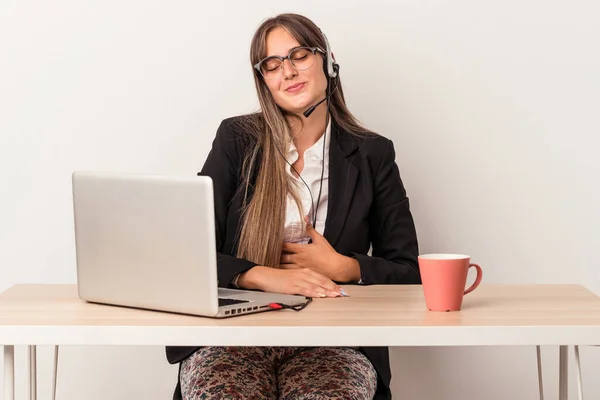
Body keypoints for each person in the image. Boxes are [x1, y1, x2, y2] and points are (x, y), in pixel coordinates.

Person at [166, 13, 420, 400]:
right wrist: (259, 276)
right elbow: (186, 249)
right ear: (264, 80)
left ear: (328, 60)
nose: (287, 71)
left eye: (298, 54)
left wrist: (344, 267)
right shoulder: (236, 139)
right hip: (232, 336)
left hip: (335, 339)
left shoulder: (373, 153)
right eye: (272, 64)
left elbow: (409, 271)